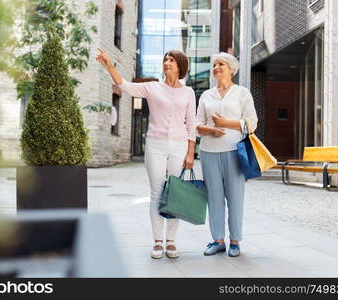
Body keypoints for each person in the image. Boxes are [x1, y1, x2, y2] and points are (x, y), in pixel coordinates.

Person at [96, 48, 196, 259]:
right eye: (165, 59)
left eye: (172, 60)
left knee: (175, 193)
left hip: (179, 146)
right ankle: (158, 241)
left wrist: (190, 153)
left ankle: (171, 241)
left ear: (180, 66)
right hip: (156, 145)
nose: (167, 62)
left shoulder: (188, 93)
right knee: (157, 193)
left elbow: (192, 124)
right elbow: (124, 85)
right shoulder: (152, 87)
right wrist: (109, 64)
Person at [196, 52, 258, 257]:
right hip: (208, 152)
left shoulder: (242, 93)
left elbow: (252, 123)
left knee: (235, 198)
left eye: (221, 64)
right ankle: (217, 240)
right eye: (214, 64)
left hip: (234, 151)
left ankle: (235, 241)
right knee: (214, 198)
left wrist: (225, 124)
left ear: (231, 69)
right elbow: (197, 126)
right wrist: (212, 130)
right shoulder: (206, 95)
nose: (216, 67)